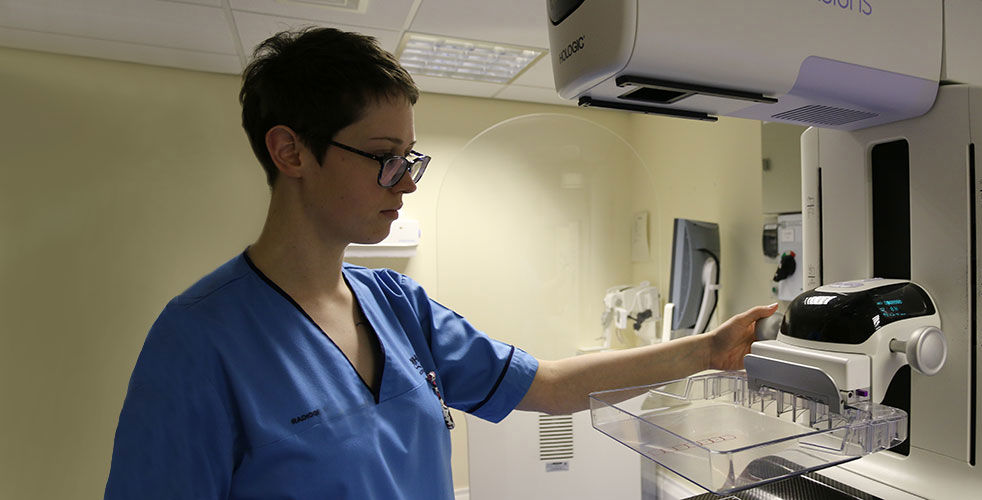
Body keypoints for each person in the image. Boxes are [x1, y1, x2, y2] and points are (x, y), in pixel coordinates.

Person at [103, 27, 776, 499]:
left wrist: (706, 351)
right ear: (291, 153)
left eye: (410, 158)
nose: (408, 181)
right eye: (384, 157)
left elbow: (547, 387)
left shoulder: (397, 306)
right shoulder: (198, 342)